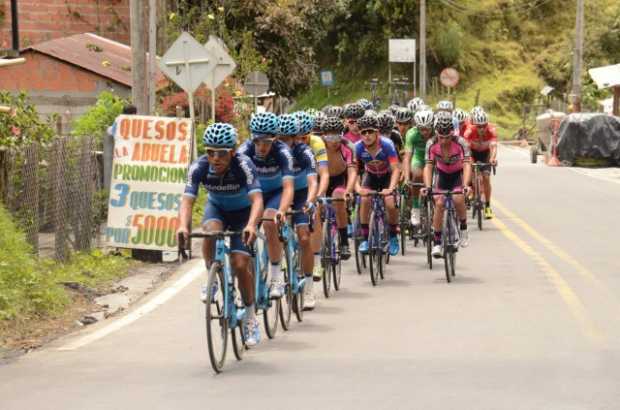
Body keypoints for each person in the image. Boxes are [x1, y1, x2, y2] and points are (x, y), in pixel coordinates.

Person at [178, 123, 263, 346]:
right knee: (210, 232)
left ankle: (251, 316)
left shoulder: (244, 164)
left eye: (222, 153)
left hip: (243, 213)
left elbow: (257, 200)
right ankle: (212, 276)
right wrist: (183, 226)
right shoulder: (199, 167)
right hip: (217, 209)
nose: (215, 158)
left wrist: (252, 225)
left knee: (240, 263)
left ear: (232, 152)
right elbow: (187, 201)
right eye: (210, 152)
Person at [238, 112, 295, 299]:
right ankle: (244, 284)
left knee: (270, 222)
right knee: (245, 229)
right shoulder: (243, 151)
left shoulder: (283, 152)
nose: (262, 147)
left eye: (267, 142)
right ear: (252, 138)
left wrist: (282, 210)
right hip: (254, 194)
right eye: (258, 141)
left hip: (275, 194)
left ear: (276, 139)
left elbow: (288, 187)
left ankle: (276, 277)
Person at [276, 114, 320, 310]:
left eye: (288, 139)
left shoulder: (304, 151)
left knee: (303, 238)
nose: (284, 143)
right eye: (280, 138)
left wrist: (311, 201)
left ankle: (309, 286)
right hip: (282, 193)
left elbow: (313, 182)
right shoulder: (273, 151)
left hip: (302, 194)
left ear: (295, 138)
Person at [421, 111, 472, 258]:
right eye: (441, 137)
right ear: (436, 133)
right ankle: (437, 242)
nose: (443, 140)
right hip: (442, 175)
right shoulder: (431, 143)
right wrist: (428, 186)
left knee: (458, 198)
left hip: (457, 175)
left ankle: (463, 228)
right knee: (439, 203)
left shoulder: (461, 143)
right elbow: (428, 166)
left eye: (447, 137)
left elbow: (467, 164)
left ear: (453, 133)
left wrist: (466, 185)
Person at [353, 113, 401, 256]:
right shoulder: (357, 147)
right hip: (371, 176)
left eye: (370, 132)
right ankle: (365, 238)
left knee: (390, 203)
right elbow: (353, 171)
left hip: (387, 176)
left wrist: (391, 188)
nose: (367, 135)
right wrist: (357, 188)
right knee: (364, 199)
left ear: (377, 132)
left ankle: (393, 236)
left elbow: (395, 170)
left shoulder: (387, 145)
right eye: (363, 132)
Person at [293, 111, 331, 283]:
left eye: (304, 138)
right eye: (297, 138)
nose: (300, 142)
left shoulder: (316, 143)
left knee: (314, 213)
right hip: (292, 184)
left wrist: (318, 196)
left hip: (311, 182)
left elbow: (323, 174)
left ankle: (315, 261)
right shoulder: (287, 144)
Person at [321, 115, 356, 260]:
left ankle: (344, 242)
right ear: (324, 136)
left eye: (337, 137)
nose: (334, 142)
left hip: (339, 181)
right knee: (316, 206)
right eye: (330, 138)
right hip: (321, 179)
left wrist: (348, 191)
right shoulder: (318, 146)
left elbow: (352, 171)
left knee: (338, 199)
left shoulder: (348, 146)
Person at [463, 110, 498, 219]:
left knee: (486, 178)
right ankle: (473, 192)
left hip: (485, 154)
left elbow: (493, 148)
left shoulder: (491, 130)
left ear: (487, 124)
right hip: (473, 154)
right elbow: (466, 151)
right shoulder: (469, 132)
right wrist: (469, 162)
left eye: (484, 126)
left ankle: (487, 206)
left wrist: (492, 159)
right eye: (479, 127)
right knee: (472, 175)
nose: (482, 129)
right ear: (475, 126)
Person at [403, 109, 434, 226]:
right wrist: (406, 179)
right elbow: (407, 158)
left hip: (434, 159)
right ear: (417, 127)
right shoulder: (411, 134)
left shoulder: (437, 132)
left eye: (427, 128)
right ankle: (415, 208)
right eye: (421, 129)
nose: (424, 132)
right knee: (416, 176)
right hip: (419, 158)